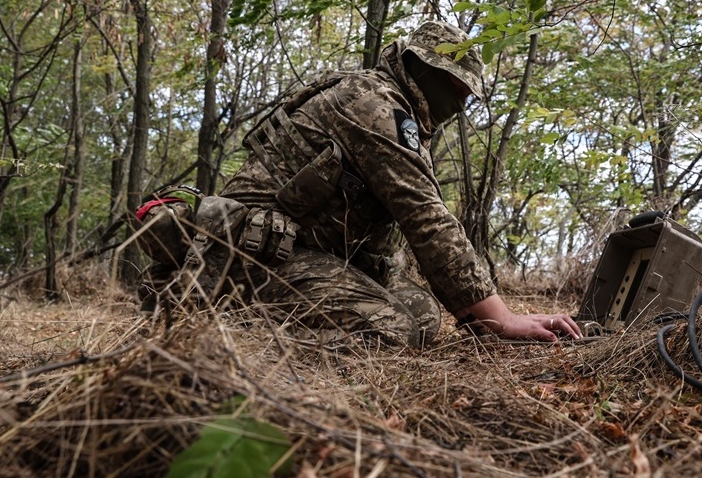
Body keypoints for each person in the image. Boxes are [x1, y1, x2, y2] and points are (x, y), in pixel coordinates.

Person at [210, 20, 581, 347]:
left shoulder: (400, 110)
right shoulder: (373, 105)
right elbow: (425, 218)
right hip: (248, 253)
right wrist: (501, 318)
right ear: (423, 69)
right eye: (458, 89)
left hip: (306, 250)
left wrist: (482, 312)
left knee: (423, 317)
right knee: (391, 329)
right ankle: (234, 330)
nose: (461, 104)